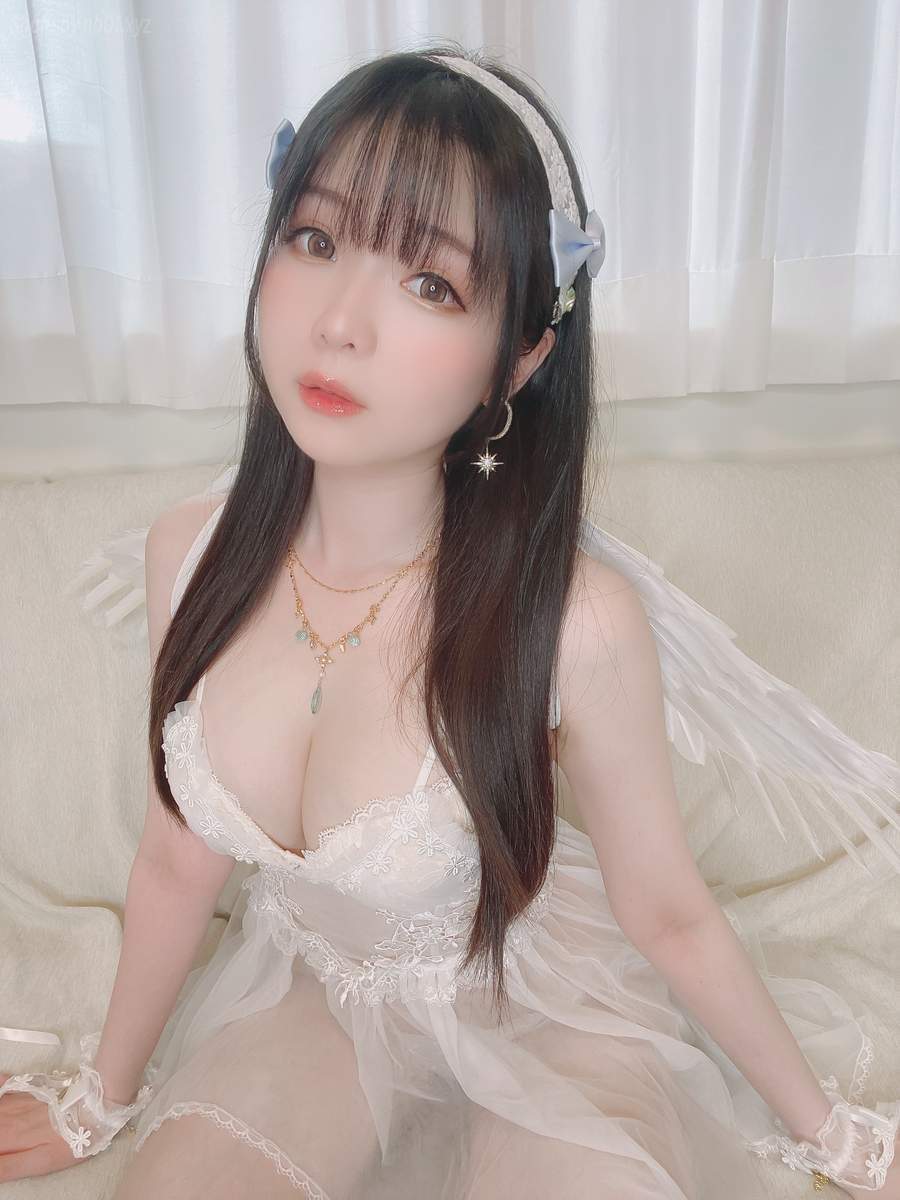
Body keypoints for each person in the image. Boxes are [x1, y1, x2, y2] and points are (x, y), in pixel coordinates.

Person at [1, 42, 899, 1199]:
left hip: (547, 1006)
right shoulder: (189, 554)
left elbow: (669, 912)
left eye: (431, 284)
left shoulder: (576, 622)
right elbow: (176, 859)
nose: (340, 323)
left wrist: (838, 1137)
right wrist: (102, 1095)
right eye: (314, 239)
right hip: (323, 999)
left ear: (517, 359)